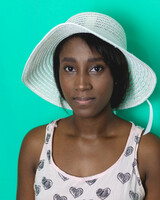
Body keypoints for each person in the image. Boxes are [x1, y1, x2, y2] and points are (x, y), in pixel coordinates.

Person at [17, 12, 160, 200]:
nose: (82, 84)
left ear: (116, 74)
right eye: (70, 68)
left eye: (96, 68)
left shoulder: (146, 151)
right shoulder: (36, 145)